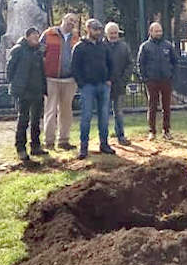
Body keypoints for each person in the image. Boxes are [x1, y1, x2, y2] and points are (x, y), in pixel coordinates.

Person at [71, 18, 114, 159]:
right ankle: (84, 147)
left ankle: (104, 144)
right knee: (86, 117)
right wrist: (81, 84)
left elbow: (110, 63)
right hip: (87, 87)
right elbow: (75, 68)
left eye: (100, 29)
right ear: (88, 29)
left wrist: (109, 79)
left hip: (103, 85)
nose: (98, 32)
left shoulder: (104, 46)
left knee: (104, 117)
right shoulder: (79, 47)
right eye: (95, 29)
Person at [7, 27, 48, 161]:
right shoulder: (18, 50)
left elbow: (42, 70)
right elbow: (10, 69)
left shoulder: (38, 51)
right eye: (34, 36)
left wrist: (43, 87)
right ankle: (21, 148)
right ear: (28, 36)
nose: (37, 39)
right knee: (23, 120)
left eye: (38, 36)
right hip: (24, 91)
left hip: (37, 90)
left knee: (36, 121)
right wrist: (16, 85)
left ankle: (35, 146)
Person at [40, 13, 79, 150]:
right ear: (63, 20)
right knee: (50, 110)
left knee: (66, 111)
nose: (72, 23)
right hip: (51, 78)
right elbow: (40, 54)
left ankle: (64, 140)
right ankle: (49, 141)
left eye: (74, 21)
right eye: (70, 20)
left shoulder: (76, 38)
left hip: (69, 79)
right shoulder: (49, 34)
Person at [137, 22, 177, 141]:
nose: (159, 33)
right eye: (156, 31)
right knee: (152, 106)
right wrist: (145, 78)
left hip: (166, 80)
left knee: (167, 106)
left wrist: (171, 75)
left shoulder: (168, 45)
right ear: (151, 32)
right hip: (152, 81)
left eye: (160, 31)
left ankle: (166, 130)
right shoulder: (145, 46)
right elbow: (140, 64)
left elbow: (175, 61)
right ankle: (152, 131)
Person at [104, 22, 134, 145]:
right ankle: (104, 138)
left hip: (119, 84)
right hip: (105, 85)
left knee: (118, 112)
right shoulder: (101, 46)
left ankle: (120, 135)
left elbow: (130, 64)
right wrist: (105, 79)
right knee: (104, 112)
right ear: (106, 34)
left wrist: (123, 79)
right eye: (111, 33)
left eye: (115, 33)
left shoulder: (124, 46)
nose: (113, 35)